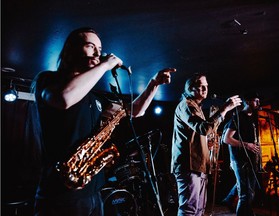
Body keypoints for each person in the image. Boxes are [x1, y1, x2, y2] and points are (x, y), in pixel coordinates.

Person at [32, 27, 176, 216]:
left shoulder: (94, 96)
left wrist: (153, 83)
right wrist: (104, 66)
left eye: (99, 50)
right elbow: (64, 99)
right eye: (90, 46)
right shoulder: (48, 79)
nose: (97, 53)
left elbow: (135, 111)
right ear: (71, 50)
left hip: (92, 192)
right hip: (61, 196)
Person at [170, 73, 242, 216]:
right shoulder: (186, 105)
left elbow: (201, 133)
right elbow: (203, 128)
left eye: (206, 86)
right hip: (188, 165)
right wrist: (224, 109)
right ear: (191, 89)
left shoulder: (196, 107)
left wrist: (206, 143)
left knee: (199, 209)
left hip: (199, 164)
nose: (205, 89)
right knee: (189, 209)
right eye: (201, 86)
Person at [222, 92, 261, 216]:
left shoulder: (252, 118)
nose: (258, 103)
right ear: (248, 101)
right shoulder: (238, 117)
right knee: (245, 194)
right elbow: (226, 139)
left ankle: (230, 201)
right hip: (240, 160)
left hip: (250, 159)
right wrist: (247, 145)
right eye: (256, 100)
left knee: (250, 192)